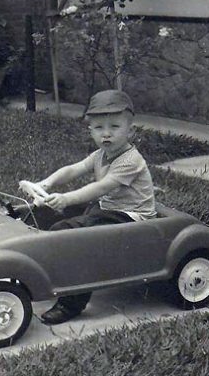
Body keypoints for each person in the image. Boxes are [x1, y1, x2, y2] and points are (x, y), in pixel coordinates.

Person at [25, 89, 157, 325]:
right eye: (98, 128)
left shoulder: (131, 160)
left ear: (131, 131)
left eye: (114, 127)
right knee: (58, 224)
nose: (106, 133)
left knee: (79, 240)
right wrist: (47, 183)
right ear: (91, 131)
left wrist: (66, 198)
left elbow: (101, 187)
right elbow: (73, 169)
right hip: (108, 209)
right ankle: (58, 275)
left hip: (132, 216)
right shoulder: (100, 154)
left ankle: (72, 303)